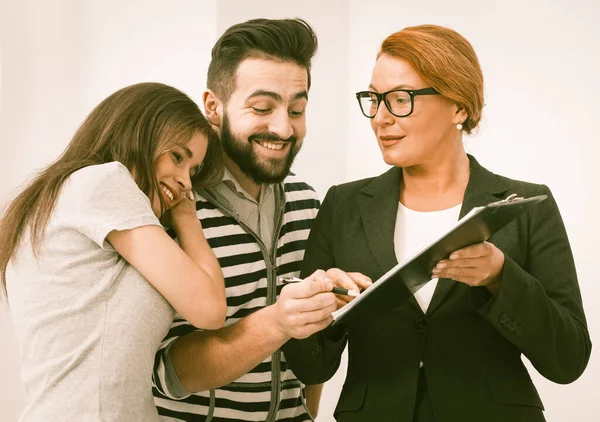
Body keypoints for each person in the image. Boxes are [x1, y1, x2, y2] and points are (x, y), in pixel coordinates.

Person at [282, 24, 592, 421]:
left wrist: (501, 278)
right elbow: (310, 368)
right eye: (373, 100)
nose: (380, 118)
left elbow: (568, 361)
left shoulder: (527, 205)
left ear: (459, 107)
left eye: (399, 99)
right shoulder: (343, 205)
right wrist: (324, 309)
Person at [0, 82, 228, 421]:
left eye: (192, 171)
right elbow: (209, 309)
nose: (186, 183)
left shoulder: (66, 197)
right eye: (177, 158)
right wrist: (187, 217)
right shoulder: (104, 182)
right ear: (138, 133)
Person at [152, 18, 339, 421]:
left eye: (297, 109)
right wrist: (278, 322)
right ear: (213, 107)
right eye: (262, 107)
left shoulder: (308, 203)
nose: (283, 127)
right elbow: (165, 372)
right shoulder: (168, 206)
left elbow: (312, 349)